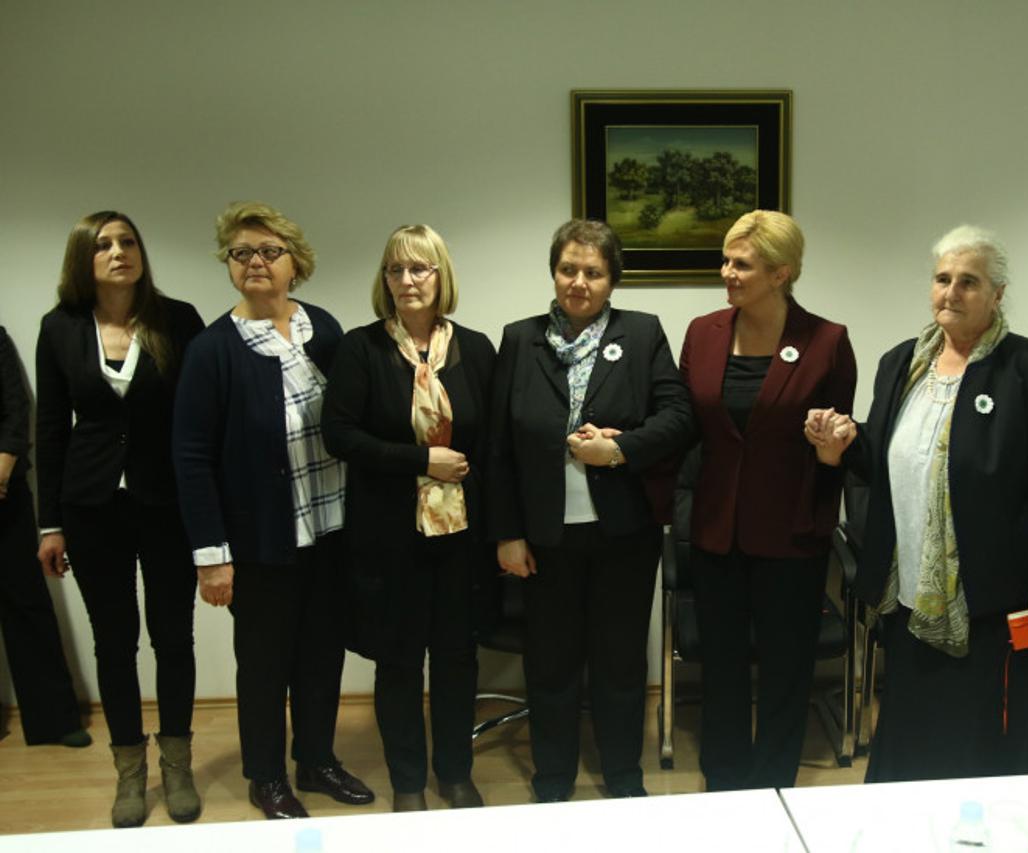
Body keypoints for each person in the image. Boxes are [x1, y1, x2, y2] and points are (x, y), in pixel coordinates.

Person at [833, 224, 1028, 782]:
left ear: (997, 294)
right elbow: (888, 460)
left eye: (968, 281)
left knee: (985, 749)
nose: (951, 292)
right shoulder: (902, 362)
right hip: (911, 600)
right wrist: (845, 445)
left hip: (995, 602)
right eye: (942, 278)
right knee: (916, 742)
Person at [172, 201, 372, 820]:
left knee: (322, 654)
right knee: (264, 666)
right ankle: (266, 775)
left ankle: (316, 760)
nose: (254, 262)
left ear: (295, 262)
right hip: (261, 543)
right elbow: (191, 458)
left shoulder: (324, 329)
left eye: (268, 251)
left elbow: (354, 421)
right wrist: (211, 556)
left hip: (331, 529)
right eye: (241, 253)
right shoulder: (213, 350)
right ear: (229, 265)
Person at [488, 219, 691, 802]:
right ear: (554, 273)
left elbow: (678, 417)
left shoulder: (642, 333)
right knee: (550, 663)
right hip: (543, 535)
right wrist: (507, 532)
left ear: (612, 280)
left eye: (593, 273)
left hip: (623, 531)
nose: (578, 282)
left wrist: (619, 449)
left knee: (619, 662)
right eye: (568, 269)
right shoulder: (520, 339)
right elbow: (498, 446)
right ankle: (553, 778)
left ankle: (622, 775)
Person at [34, 211, 205, 826]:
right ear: (84, 258)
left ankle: (177, 764)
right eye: (103, 244)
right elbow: (50, 428)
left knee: (173, 637)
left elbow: (200, 418)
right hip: (91, 506)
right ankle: (129, 772)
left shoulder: (177, 319)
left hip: (167, 504)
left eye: (127, 241)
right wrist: (49, 523)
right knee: (114, 642)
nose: (117, 252)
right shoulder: (60, 327)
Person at [680, 209, 855, 791]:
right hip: (715, 533)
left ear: (781, 273)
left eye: (742, 264)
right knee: (721, 669)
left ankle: (774, 785)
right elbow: (684, 424)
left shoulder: (827, 341)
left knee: (786, 671)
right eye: (726, 260)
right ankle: (725, 783)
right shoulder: (703, 333)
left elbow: (839, 445)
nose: (727, 273)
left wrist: (833, 447)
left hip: (791, 534)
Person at [321, 225, 495, 812]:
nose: (406, 280)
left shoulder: (475, 349)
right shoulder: (361, 349)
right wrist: (422, 460)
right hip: (389, 537)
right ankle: (408, 782)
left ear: (441, 276)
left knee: (456, 660)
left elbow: (493, 445)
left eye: (419, 268)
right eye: (395, 270)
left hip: (460, 538)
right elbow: (340, 435)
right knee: (398, 664)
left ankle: (455, 774)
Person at [0, 323, 91, 750]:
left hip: (3, 491)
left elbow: (16, 407)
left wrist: (3, 468)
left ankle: (54, 720)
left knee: (25, 601)